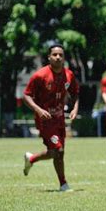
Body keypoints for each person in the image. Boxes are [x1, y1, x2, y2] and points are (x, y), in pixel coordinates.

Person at [23, 44, 79, 192]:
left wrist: (75, 108)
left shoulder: (69, 75)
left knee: (56, 152)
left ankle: (31, 159)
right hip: (45, 120)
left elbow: (75, 93)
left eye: (61, 55)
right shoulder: (40, 76)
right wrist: (38, 110)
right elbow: (26, 95)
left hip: (59, 119)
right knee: (58, 150)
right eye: (54, 54)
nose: (58, 57)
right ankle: (63, 184)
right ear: (49, 57)